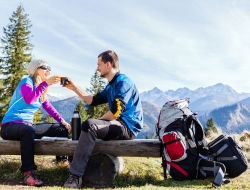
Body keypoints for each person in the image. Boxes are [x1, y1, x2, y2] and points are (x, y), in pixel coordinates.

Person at [63, 50, 143, 188]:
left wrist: (97, 123)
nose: (97, 68)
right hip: (117, 124)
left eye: (99, 64)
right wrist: (74, 87)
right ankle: (76, 167)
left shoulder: (123, 83)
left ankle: (75, 176)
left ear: (108, 64)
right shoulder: (112, 85)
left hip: (127, 127)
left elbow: (115, 112)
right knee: (90, 125)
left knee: (90, 125)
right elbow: (93, 100)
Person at [0, 59, 71, 186]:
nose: (48, 70)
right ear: (35, 69)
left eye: (50, 68)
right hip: (9, 127)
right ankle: (28, 173)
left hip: (28, 126)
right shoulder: (26, 82)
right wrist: (46, 84)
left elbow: (48, 107)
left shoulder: (42, 89)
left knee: (62, 129)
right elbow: (29, 99)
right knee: (28, 130)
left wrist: (63, 121)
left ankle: (63, 162)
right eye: (45, 67)